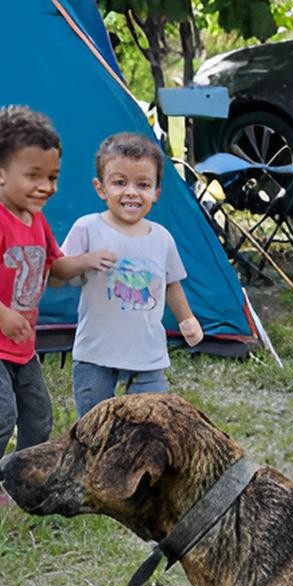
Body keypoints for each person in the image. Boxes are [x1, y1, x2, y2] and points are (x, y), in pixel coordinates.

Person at [0, 104, 114, 507]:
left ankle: (27, 476)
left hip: (19, 343)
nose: (45, 186)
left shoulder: (35, 220)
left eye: (52, 177)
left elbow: (55, 269)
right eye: (33, 176)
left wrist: (87, 260)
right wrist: (2, 314)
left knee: (38, 413)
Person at [60, 130, 204, 418]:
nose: (131, 192)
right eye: (119, 182)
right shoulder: (87, 228)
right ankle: (95, 464)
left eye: (143, 184)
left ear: (156, 192)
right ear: (101, 188)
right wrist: (85, 260)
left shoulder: (161, 238)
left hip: (147, 352)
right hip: (95, 352)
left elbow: (171, 283)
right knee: (93, 425)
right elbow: (57, 273)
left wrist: (187, 318)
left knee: (152, 423)